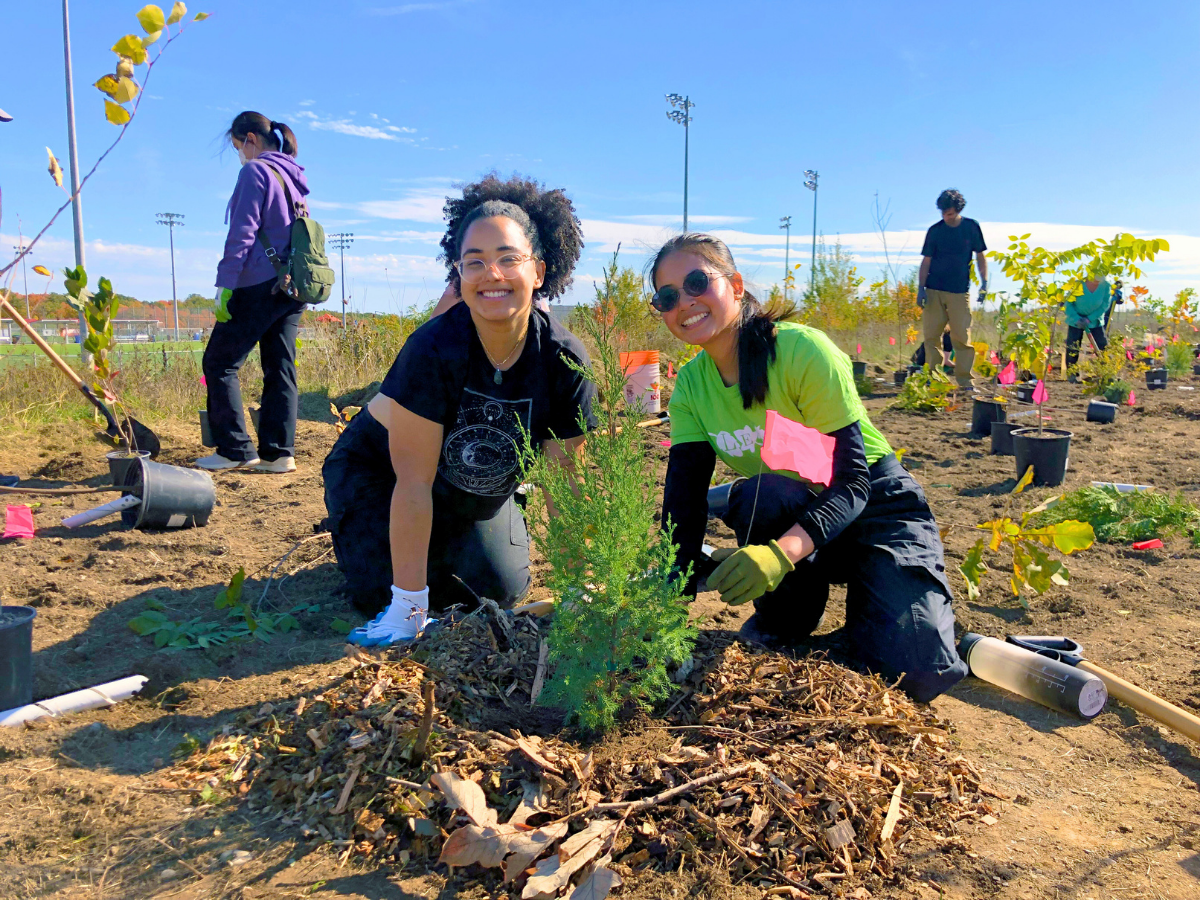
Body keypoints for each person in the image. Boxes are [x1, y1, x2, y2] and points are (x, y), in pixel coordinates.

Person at [654, 233, 967, 703]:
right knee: (768, 492)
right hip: (790, 508)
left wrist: (778, 555)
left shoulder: (801, 351)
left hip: (874, 507)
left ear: (735, 286)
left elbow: (853, 481)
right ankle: (785, 621)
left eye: (698, 282)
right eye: (668, 296)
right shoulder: (691, 389)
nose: (686, 302)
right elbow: (683, 499)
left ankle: (884, 609)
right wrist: (669, 607)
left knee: (916, 671)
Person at [322, 175, 596, 647]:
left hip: (470, 487)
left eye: (509, 259)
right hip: (383, 475)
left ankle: (491, 521)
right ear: (459, 274)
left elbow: (568, 484)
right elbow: (413, 482)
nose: (492, 274)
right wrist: (408, 606)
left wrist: (577, 592)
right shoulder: (433, 349)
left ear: (540, 271)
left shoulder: (563, 359)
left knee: (497, 592)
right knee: (379, 592)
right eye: (476, 262)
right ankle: (388, 558)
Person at [197, 111, 308, 473]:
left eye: (237, 148)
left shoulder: (255, 171)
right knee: (280, 365)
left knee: (219, 362)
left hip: (260, 281)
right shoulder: (294, 176)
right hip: (292, 284)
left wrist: (225, 283)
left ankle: (235, 450)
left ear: (249, 140)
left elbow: (243, 232)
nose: (240, 156)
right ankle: (279, 453)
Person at [918, 189, 987, 391]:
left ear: (958, 210)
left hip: (959, 291)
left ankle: (965, 381)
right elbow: (926, 260)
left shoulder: (971, 227)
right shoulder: (935, 231)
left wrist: (984, 283)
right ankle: (934, 379)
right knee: (931, 337)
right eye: (942, 213)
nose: (945, 217)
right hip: (934, 290)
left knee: (961, 338)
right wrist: (920, 289)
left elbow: (980, 256)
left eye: (948, 213)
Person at [1064, 276, 1112, 378]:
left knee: (1102, 346)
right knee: (1073, 347)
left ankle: (1106, 373)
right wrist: (1077, 318)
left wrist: (1089, 319)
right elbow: (1068, 304)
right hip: (1075, 320)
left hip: (1095, 320)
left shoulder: (1106, 286)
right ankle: (1071, 374)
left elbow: (1104, 305)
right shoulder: (1077, 284)